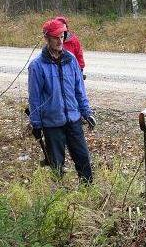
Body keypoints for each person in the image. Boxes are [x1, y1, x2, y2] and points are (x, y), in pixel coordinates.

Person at [28, 18, 96, 184]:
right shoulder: (37, 66)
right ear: (47, 38)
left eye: (62, 36)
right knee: (56, 164)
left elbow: (79, 90)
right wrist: (36, 124)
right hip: (52, 123)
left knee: (83, 159)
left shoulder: (71, 60)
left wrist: (86, 112)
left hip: (73, 119)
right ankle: (58, 197)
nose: (60, 41)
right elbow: (34, 98)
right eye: (56, 37)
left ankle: (88, 190)